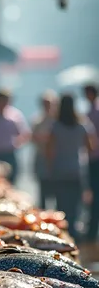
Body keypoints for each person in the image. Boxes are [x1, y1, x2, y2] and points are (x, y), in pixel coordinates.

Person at [45, 93, 95, 241]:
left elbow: (49, 151)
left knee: (61, 205)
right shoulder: (82, 124)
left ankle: (63, 234)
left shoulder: (55, 125)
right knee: (76, 205)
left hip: (59, 169)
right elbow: (91, 147)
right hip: (76, 169)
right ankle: (75, 234)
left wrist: (50, 168)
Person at [31, 90, 57, 208]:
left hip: (56, 161)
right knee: (43, 193)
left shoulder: (58, 121)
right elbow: (33, 139)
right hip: (42, 159)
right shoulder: (37, 121)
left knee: (57, 192)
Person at [83, 84, 99, 241]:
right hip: (93, 158)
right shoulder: (90, 112)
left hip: (95, 158)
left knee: (94, 194)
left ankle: (92, 230)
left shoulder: (92, 113)